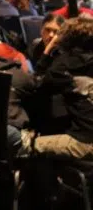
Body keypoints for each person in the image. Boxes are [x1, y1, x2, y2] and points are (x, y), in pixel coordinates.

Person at [23, 15, 93, 161]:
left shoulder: (64, 64)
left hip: (85, 141)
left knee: (27, 145)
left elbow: (37, 84)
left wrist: (47, 51)